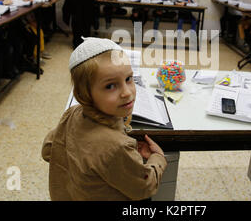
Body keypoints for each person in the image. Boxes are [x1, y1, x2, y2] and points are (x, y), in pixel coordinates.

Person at [41, 38, 167, 200]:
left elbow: (47, 150)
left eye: (129, 79)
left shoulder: (72, 113)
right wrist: (158, 158)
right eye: (110, 86)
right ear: (85, 94)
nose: (127, 92)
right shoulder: (116, 146)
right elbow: (143, 187)